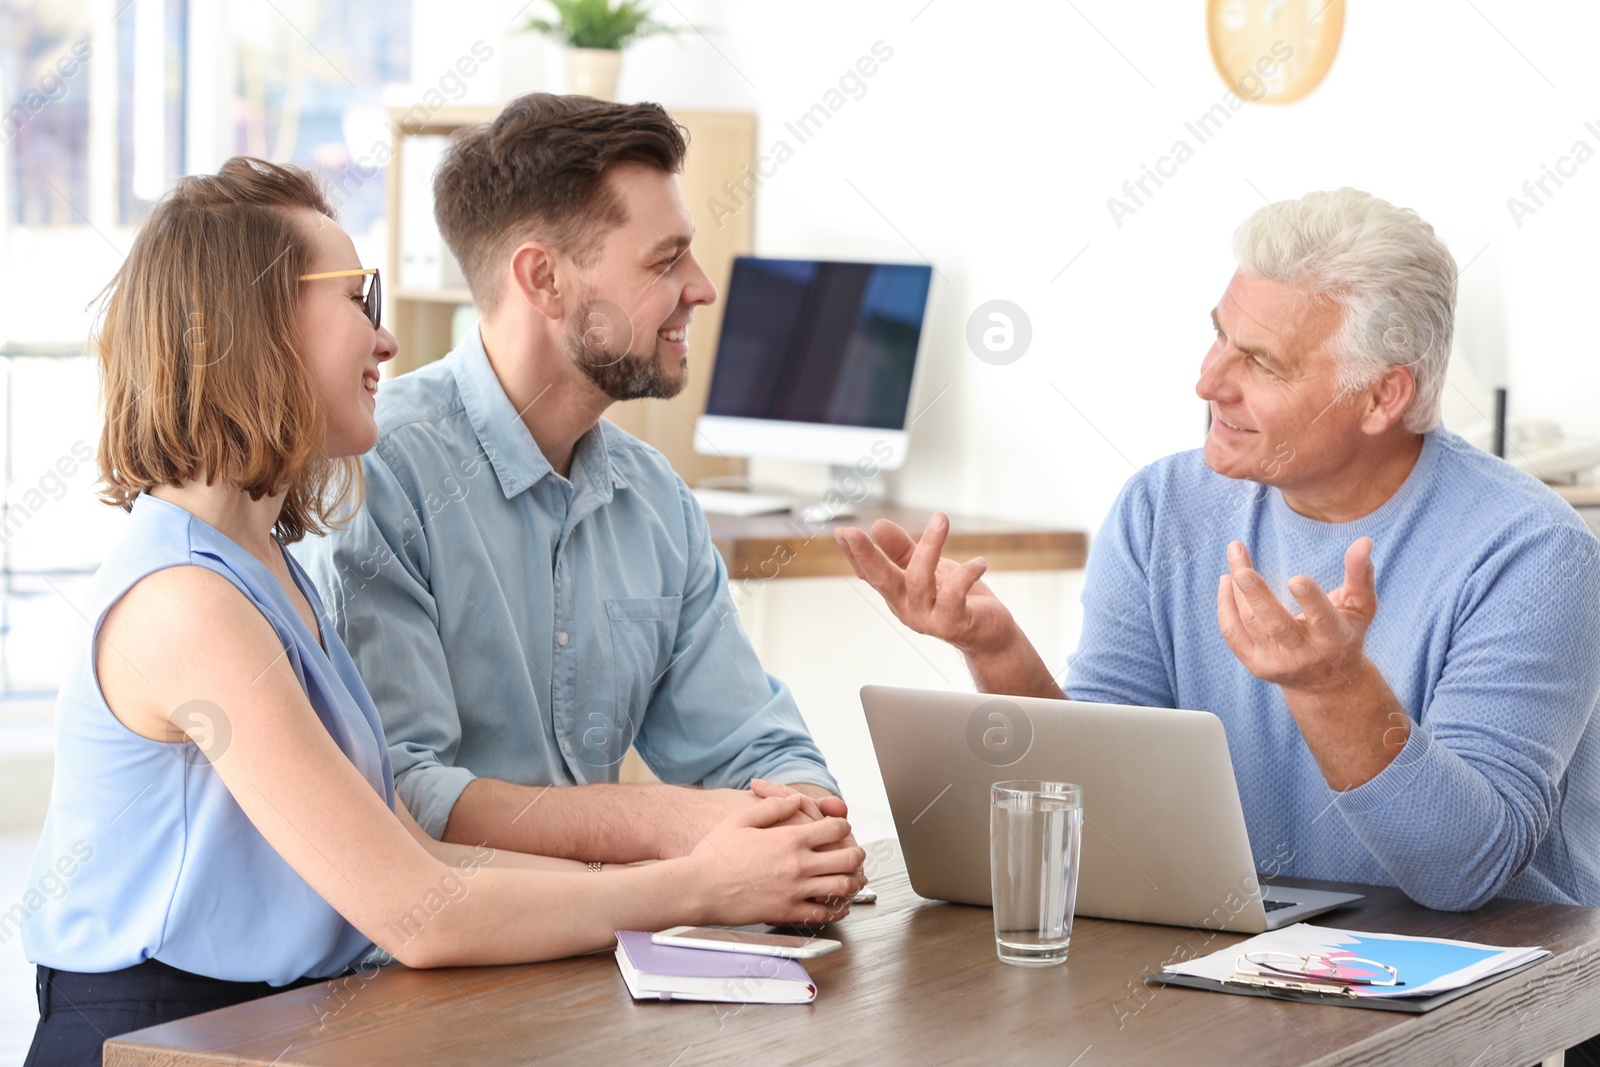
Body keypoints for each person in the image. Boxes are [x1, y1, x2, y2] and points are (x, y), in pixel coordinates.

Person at [23, 157, 863, 1064]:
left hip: (267, 1024)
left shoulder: (260, 566)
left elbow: (415, 851)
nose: (386, 342)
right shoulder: (186, 604)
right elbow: (409, 910)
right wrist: (696, 885)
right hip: (153, 1037)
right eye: (357, 299)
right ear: (253, 326)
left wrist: (704, 870)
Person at [837, 188, 1600, 916]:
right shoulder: (1161, 508)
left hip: (1488, 1003)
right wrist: (997, 649)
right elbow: (1109, 810)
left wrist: (1334, 689)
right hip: (1249, 960)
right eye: (1218, 336)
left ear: (1382, 396)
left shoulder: (1535, 555)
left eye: (1261, 362)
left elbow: (1463, 870)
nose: (1207, 380)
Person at [293, 94, 853, 864]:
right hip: (437, 969)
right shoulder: (380, 479)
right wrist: (677, 825)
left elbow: (757, 748)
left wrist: (806, 825)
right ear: (545, 278)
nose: (702, 287)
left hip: (609, 954)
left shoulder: (657, 501)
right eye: (666, 259)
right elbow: (405, 796)